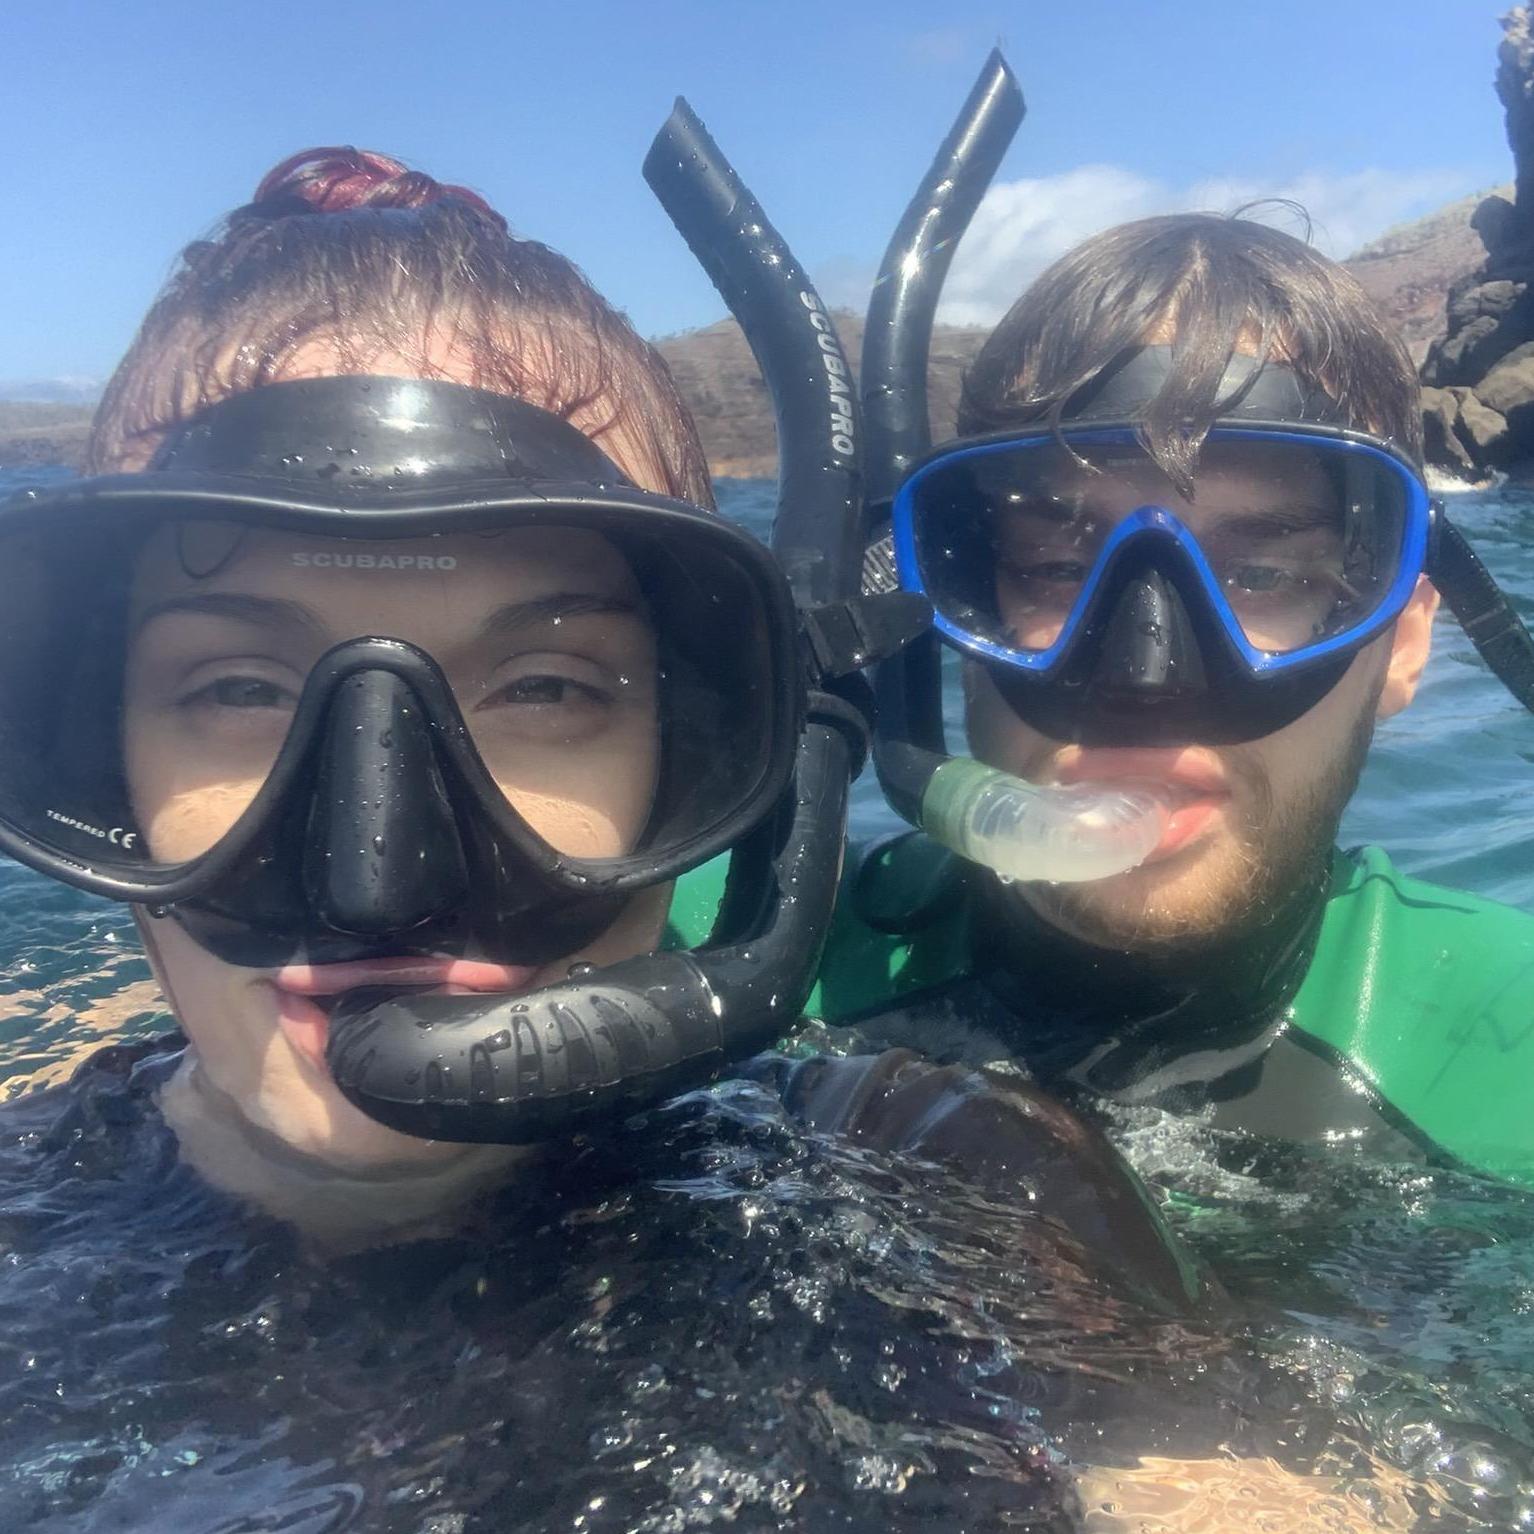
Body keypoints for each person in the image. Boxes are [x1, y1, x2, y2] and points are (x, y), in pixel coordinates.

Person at [734, 209, 1534, 1187]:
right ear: (958, 600)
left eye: (1262, 576)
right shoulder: (729, 950)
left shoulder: (1511, 1041)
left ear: (1404, 642)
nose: (1146, 679)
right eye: (1059, 566)